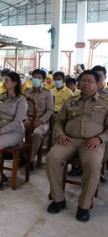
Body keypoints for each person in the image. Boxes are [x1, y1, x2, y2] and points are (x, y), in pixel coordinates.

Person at [46, 70, 108, 222]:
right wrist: (60, 134)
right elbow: (59, 121)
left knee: (93, 165)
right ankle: (58, 199)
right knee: (51, 158)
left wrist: (100, 139)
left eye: (90, 81)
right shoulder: (70, 101)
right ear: (78, 83)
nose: (86, 83)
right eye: (83, 80)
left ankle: (84, 205)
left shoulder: (105, 103)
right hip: (68, 140)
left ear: (97, 84)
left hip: (92, 143)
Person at [23, 69, 54, 167]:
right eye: (34, 77)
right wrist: (25, 119)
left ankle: (29, 160)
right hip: (27, 120)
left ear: (43, 80)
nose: (36, 79)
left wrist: (40, 121)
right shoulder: (26, 92)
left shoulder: (47, 93)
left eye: (38, 78)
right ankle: (21, 156)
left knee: (36, 133)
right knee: (16, 129)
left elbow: (50, 110)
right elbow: (22, 108)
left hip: (41, 121)